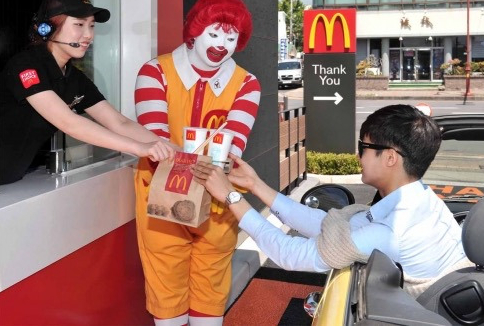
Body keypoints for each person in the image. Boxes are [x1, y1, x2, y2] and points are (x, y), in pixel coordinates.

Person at [191, 104, 469, 297]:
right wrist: (254, 184)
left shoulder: (391, 231)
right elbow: (324, 224)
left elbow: (292, 254)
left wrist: (230, 196)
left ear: (390, 157)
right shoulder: (420, 200)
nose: (358, 156)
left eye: (364, 147)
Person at [133, 0, 261, 325]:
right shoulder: (154, 72)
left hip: (218, 202)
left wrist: (208, 158)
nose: (222, 44)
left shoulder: (246, 83)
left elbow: (232, 146)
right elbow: (157, 141)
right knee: (167, 294)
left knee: (211, 294)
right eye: (215, 33)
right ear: (194, 31)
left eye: (231, 37)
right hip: (162, 198)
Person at [0, 0, 175, 185]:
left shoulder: (74, 78)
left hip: (9, 179)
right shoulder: (26, 65)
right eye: (79, 25)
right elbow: (69, 123)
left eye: (91, 26)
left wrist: (174, 149)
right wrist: (139, 148)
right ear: (47, 28)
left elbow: (119, 123)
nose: (88, 35)